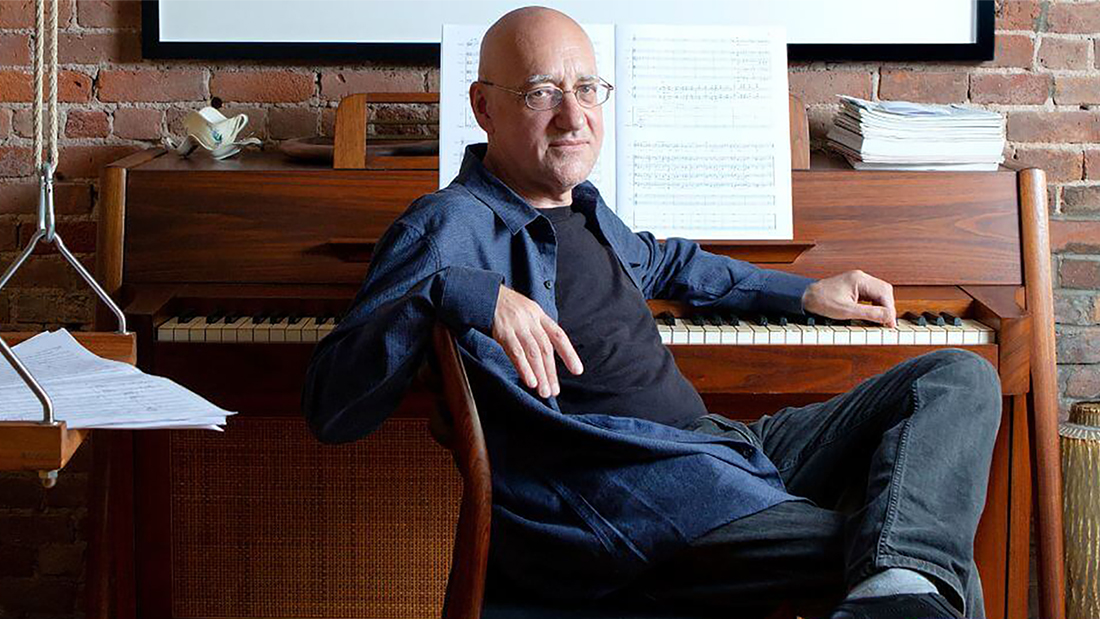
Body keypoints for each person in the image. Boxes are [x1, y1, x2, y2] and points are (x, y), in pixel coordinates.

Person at [302, 7, 1001, 619]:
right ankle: (902, 584)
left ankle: (900, 584)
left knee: (956, 378)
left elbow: (668, 263)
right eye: (543, 92)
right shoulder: (447, 224)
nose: (573, 116)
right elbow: (331, 405)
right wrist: (462, 293)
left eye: (586, 89)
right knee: (917, 557)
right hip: (637, 505)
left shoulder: (580, 206)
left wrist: (803, 292)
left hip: (724, 449)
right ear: (483, 107)